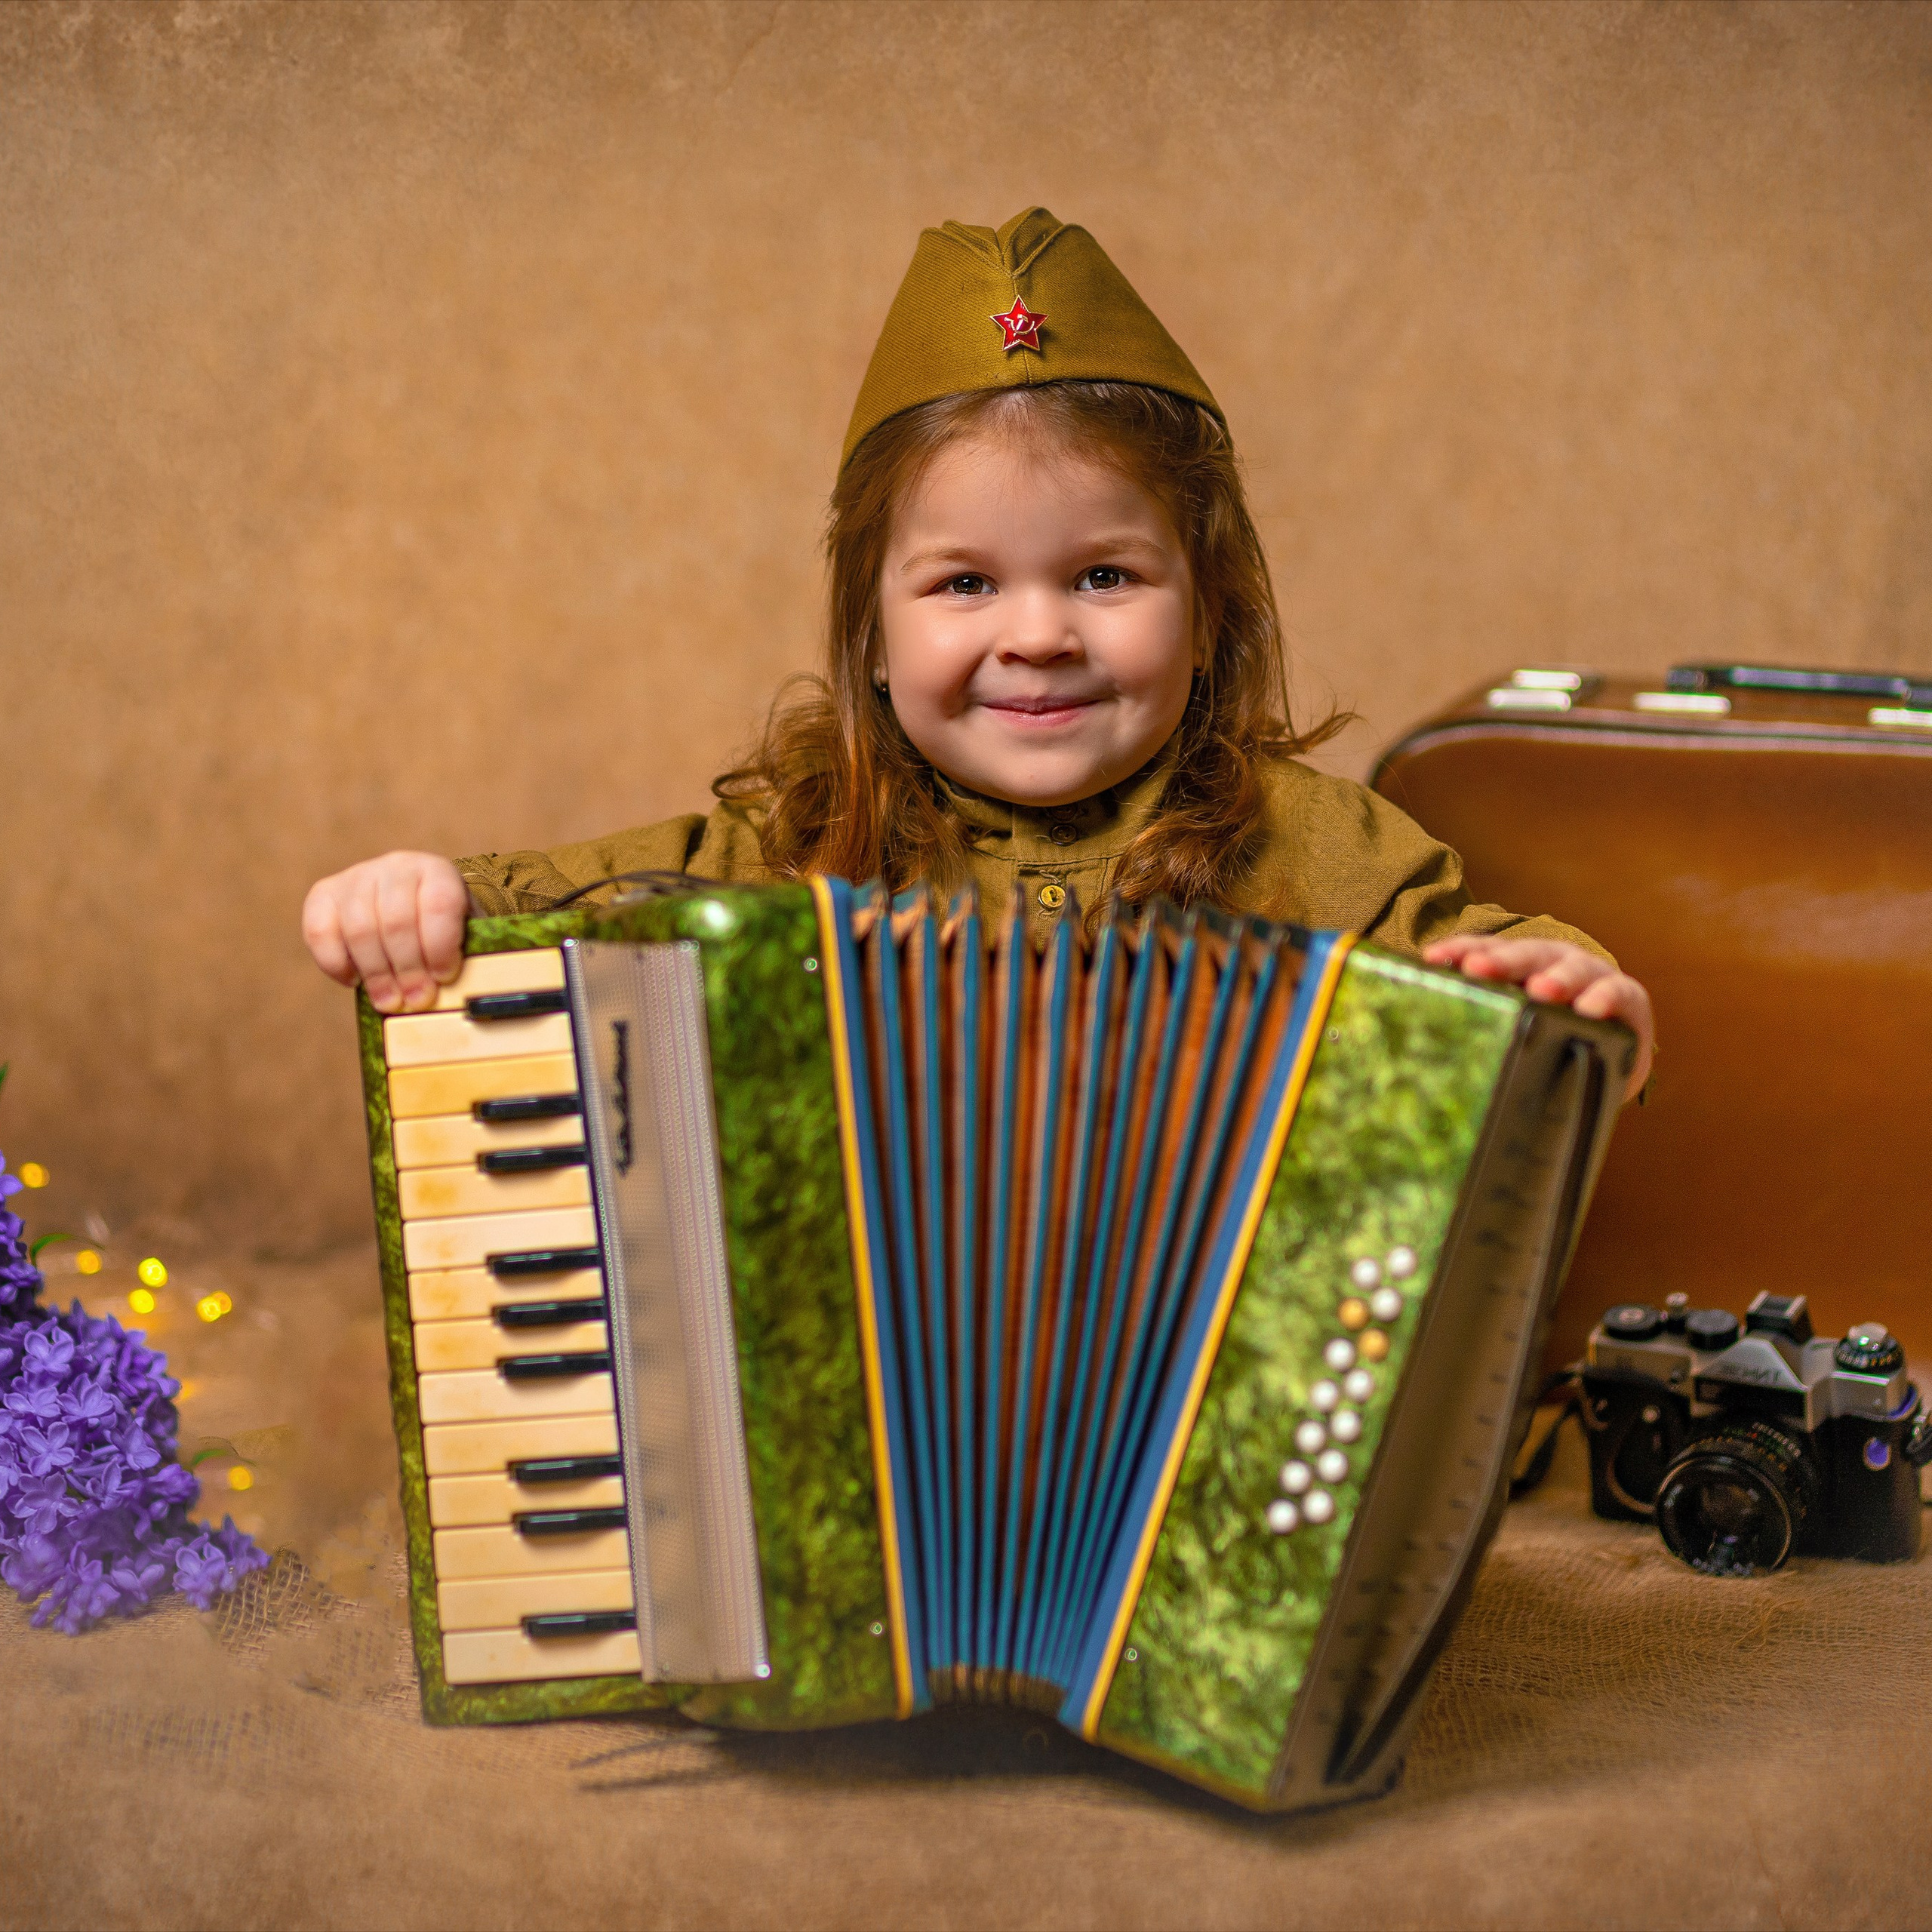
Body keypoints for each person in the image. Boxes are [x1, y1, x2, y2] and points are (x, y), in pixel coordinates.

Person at [303, 208, 1654, 1099]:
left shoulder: (1325, 856)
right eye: (962, 583)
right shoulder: (784, 851)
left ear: (1213, 611)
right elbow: (541, 908)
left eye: (1106, 576)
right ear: (875, 641)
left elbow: (1503, 978)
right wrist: (419, 895)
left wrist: (1573, 995)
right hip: (881, 1417)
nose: (1039, 634)